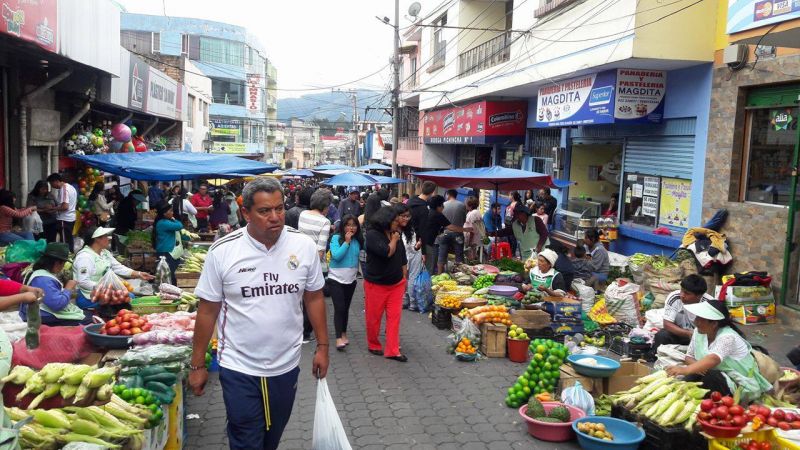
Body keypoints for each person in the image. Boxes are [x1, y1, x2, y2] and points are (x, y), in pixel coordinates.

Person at [189, 177, 328, 450]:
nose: (275, 217)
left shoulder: (303, 246)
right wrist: (197, 365)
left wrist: (323, 347)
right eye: (264, 211)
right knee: (246, 439)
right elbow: (207, 311)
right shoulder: (223, 251)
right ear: (246, 213)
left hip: (286, 364)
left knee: (271, 438)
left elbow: (314, 297)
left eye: (279, 208)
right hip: (239, 366)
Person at [666, 301, 771, 402]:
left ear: (714, 324)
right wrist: (697, 368)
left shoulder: (728, 337)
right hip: (712, 374)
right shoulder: (699, 332)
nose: (695, 321)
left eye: (700, 319)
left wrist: (686, 369)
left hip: (739, 382)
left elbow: (713, 359)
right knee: (685, 382)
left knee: (710, 377)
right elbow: (689, 356)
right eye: (696, 317)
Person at [73, 226, 154, 312]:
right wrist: (107, 289)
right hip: (88, 296)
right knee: (125, 300)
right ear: (97, 239)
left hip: (104, 292)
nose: (109, 239)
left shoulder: (104, 253)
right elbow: (83, 282)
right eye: (105, 236)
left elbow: (118, 267)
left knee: (129, 296)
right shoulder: (85, 257)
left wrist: (138, 274)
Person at [364, 206, 408, 362]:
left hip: (396, 284)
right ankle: (373, 343)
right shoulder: (372, 235)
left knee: (394, 318)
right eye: (395, 221)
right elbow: (387, 252)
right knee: (373, 318)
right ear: (386, 221)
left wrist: (404, 277)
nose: (398, 223)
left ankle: (392, 350)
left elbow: (402, 257)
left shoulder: (395, 233)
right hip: (376, 284)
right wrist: (394, 240)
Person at [20, 243, 92, 326]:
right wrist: (68, 289)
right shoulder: (43, 278)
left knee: (87, 314)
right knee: (88, 319)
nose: (63, 267)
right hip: (41, 314)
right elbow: (57, 304)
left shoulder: (42, 274)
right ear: (57, 263)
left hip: (40, 312)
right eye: (63, 264)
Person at [298, 189, 333, 343]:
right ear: (325, 206)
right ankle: (306, 333)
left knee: (300, 298)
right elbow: (320, 250)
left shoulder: (303, 214)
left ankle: (299, 330)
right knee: (312, 299)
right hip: (314, 265)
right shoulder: (325, 222)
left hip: (299, 260)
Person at [651, 275, 714, 354]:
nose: (682, 295)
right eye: (682, 290)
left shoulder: (710, 304)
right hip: (680, 334)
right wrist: (688, 333)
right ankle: (654, 357)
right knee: (662, 335)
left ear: (699, 296)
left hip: (701, 337)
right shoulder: (675, 297)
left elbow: (714, 330)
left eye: (687, 293)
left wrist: (697, 336)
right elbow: (667, 324)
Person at [328, 214, 361, 351]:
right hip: (335, 278)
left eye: (354, 225)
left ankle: (343, 333)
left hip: (351, 279)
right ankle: (338, 338)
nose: (351, 228)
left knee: (346, 308)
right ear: (343, 226)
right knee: (339, 308)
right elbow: (336, 256)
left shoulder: (358, 241)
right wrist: (346, 242)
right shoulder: (336, 238)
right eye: (348, 225)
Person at [422, 195, 465, 275]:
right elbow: (451, 227)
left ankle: (427, 278)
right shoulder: (437, 215)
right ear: (438, 206)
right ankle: (427, 281)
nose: (443, 207)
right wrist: (466, 229)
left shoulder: (428, 211)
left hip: (423, 241)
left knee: (428, 264)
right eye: (442, 205)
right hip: (428, 243)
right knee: (430, 265)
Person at [394, 203, 423, 311]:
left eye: (408, 216)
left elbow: (412, 248)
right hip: (400, 259)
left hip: (411, 256)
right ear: (396, 215)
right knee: (404, 278)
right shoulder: (391, 229)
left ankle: (411, 302)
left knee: (410, 278)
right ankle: (407, 301)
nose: (406, 218)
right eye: (403, 216)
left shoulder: (409, 229)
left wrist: (417, 247)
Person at [152, 201, 186, 285]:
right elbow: (179, 226)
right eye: (170, 211)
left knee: (169, 274)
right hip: (166, 252)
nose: (172, 213)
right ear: (164, 213)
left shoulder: (163, 222)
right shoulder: (163, 223)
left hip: (167, 251)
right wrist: (174, 219)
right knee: (169, 275)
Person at [47, 173, 78, 251]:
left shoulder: (64, 189)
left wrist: (53, 208)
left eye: (51, 183)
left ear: (56, 181)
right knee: (68, 239)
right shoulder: (71, 187)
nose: (52, 186)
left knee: (65, 242)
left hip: (65, 219)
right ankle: (69, 253)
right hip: (70, 217)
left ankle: (67, 255)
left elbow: (65, 206)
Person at [441, 189, 467, 265]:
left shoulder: (443, 205)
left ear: (448, 195)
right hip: (458, 233)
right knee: (459, 255)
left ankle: (441, 271)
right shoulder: (462, 205)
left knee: (442, 255)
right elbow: (464, 220)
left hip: (445, 233)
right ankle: (460, 271)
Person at [464, 196, 484, 261]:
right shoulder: (475, 212)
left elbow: (472, 229)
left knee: (470, 255)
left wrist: (470, 242)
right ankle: (474, 261)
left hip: (472, 238)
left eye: (466, 203)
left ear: (470, 205)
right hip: (475, 238)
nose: (465, 204)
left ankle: (472, 263)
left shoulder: (473, 214)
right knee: (473, 253)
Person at [505, 192, 521, 257]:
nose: (509, 196)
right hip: (507, 223)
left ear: (513, 196)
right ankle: (509, 252)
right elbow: (506, 212)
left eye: (509, 195)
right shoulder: (509, 203)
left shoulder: (518, 204)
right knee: (508, 238)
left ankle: (513, 253)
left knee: (513, 239)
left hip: (513, 224)